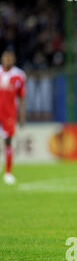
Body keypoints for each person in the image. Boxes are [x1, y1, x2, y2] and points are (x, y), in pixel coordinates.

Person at [0, 50, 26, 185]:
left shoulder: (19, 75)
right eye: (6, 58)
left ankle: (8, 172)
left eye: (10, 58)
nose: (8, 60)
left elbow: (21, 97)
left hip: (9, 114)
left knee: (8, 142)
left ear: (14, 60)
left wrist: (22, 115)